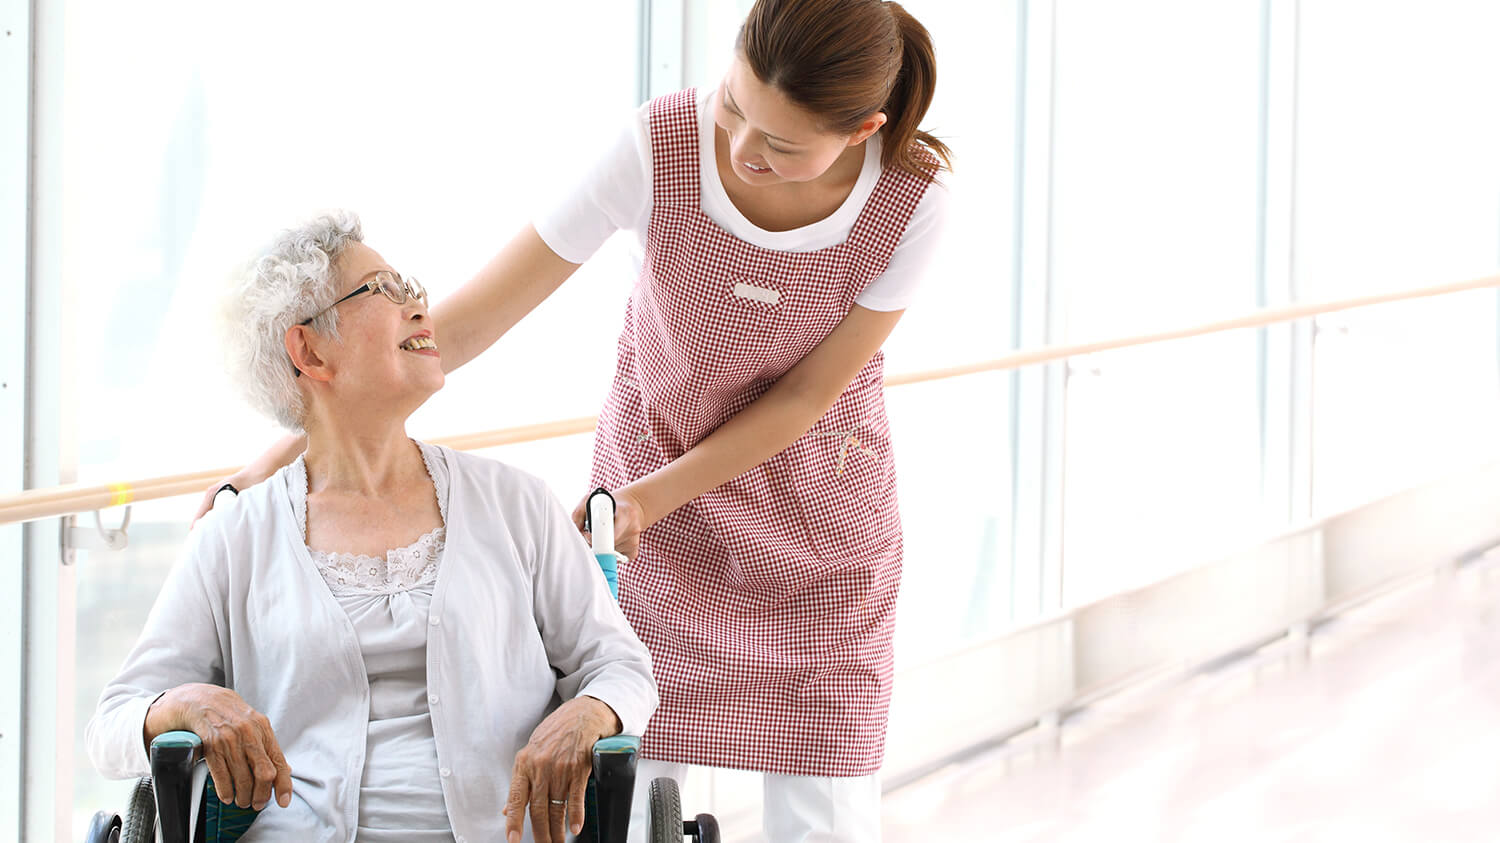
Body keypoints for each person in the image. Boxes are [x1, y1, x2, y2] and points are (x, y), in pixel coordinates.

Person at [198, 0, 951, 838]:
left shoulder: (912, 200)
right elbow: (467, 324)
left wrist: (648, 497)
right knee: (628, 780)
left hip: (814, 521)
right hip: (646, 506)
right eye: (734, 105)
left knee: (827, 809)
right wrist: (286, 453)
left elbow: (806, 397)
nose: (742, 148)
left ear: (861, 131)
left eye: (780, 144)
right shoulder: (659, 145)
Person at [89, 212, 658, 843]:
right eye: (383, 289)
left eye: (410, 287)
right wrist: (183, 703)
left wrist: (590, 710)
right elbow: (111, 725)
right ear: (310, 351)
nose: (418, 305)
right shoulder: (233, 537)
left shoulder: (516, 503)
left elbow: (621, 666)